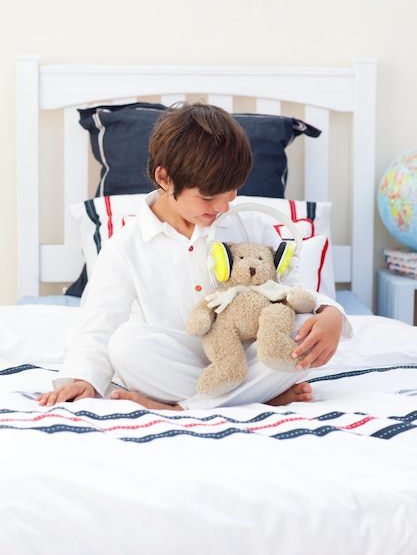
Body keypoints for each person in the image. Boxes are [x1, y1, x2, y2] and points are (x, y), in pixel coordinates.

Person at [37, 102, 350, 411]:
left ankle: (183, 406)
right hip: (176, 360)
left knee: (302, 329)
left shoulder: (253, 224)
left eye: (233, 192)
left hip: (247, 353)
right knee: (125, 343)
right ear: (164, 178)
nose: (224, 207)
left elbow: (295, 289)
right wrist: (82, 378)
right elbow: (99, 327)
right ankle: (245, 398)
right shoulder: (124, 247)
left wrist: (331, 314)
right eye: (209, 197)